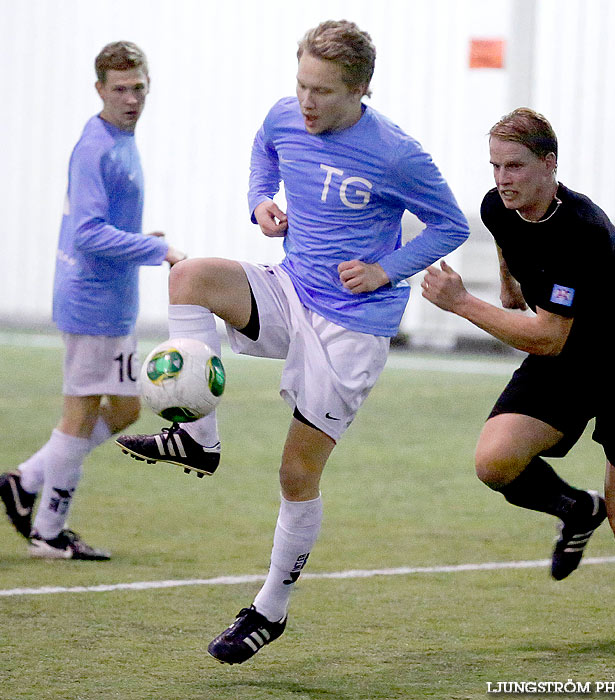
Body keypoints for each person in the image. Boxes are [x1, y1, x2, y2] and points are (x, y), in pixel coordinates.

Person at [116, 20, 469, 664]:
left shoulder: (395, 153)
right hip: (292, 288)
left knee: (295, 472)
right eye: (301, 85)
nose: (307, 102)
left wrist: (388, 269)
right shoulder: (286, 116)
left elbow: (451, 225)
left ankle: (270, 609)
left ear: (360, 88)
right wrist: (260, 203)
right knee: (190, 276)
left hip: (353, 326)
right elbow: (264, 150)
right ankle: (199, 439)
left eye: (324, 92)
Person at [422, 108, 615, 643]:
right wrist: (510, 286)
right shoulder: (498, 206)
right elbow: (504, 234)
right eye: (494, 166)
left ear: (549, 164)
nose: (501, 180)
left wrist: (463, 302)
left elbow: (546, 338)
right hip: (568, 361)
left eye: (514, 166)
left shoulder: (580, 231)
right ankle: (578, 509)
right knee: (494, 462)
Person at [0, 41, 185, 560]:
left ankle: (26, 480)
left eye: (138, 89)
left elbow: (106, 227)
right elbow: (86, 234)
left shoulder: (122, 139)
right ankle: (50, 532)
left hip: (115, 301)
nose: (131, 99)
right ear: (100, 89)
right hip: (90, 304)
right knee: (79, 415)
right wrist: (158, 248)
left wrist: (138, 237)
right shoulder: (95, 147)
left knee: (126, 409)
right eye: (120, 89)